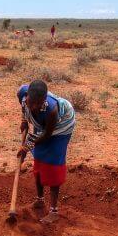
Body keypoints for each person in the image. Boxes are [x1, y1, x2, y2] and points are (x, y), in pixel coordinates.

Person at [17, 80, 76, 224]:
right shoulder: (23, 93)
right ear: (27, 96)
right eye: (31, 103)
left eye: (38, 103)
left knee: (53, 164)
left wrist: (27, 146)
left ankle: (54, 211)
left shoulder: (51, 110)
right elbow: (25, 109)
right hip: (42, 125)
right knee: (39, 158)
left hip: (61, 126)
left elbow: (46, 135)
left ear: (43, 100)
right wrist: (24, 119)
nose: (34, 107)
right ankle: (40, 200)